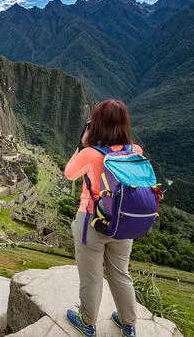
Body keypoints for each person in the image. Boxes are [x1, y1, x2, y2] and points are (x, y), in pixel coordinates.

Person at [63, 99, 141, 337]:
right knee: (120, 273)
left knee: (91, 277)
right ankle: (128, 324)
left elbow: (69, 174)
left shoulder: (90, 154)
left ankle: (87, 322)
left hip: (91, 222)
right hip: (124, 224)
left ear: (95, 125)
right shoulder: (135, 151)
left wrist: (83, 144)